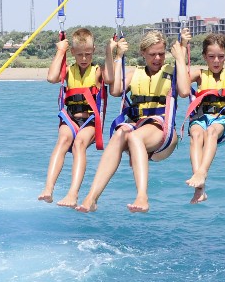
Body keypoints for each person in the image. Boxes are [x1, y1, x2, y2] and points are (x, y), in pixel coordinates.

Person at [76, 30, 184, 213]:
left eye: (161, 53)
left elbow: (185, 91)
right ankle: (92, 198)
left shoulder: (173, 73)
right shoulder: (134, 73)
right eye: (152, 54)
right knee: (119, 134)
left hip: (162, 134)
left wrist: (180, 58)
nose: (157, 58)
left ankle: (142, 196)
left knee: (134, 137)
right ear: (143, 53)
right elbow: (115, 90)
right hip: (138, 127)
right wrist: (117, 55)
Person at [178, 25, 225, 203]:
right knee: (195, 134)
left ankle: (202, 172)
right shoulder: (199, 74)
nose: (216, 61)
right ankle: (199, 189)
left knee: (211, 131)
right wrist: (183, 46)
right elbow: (181, 79)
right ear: (205, 56)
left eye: (220, 56)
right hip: (199, 117)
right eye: (211, 56)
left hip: (220, 120)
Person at [39, 28, 104, 206]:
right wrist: (61, 51)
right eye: (80, 54)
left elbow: (113, 80)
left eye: (88, 54)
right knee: (63, 140)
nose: (84, 58)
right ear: (73, 52)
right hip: (70, 118)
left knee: (79, 144)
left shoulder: (98, 71)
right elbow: (51, 77)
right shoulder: (68, 71)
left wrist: (114, 52)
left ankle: (72, 194)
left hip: (90, 121)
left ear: (93, 51)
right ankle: (48, 189)